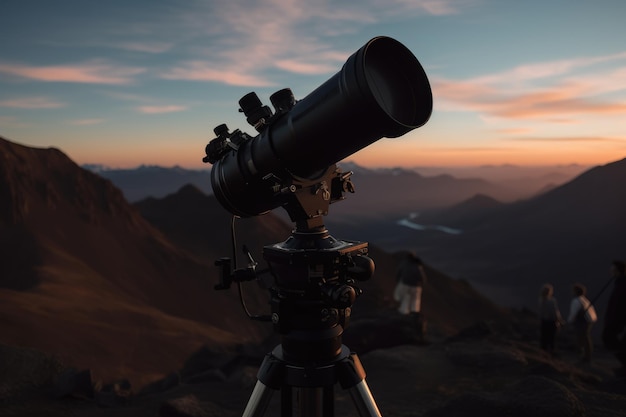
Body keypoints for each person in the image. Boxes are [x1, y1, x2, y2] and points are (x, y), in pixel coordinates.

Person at [394, 251, 428, 341]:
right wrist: (422, 283)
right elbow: (422, 277)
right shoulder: (417, 265)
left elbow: (399, 273)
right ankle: (414, 314)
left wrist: (398, 280)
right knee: (415, 301)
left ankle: (404, 314)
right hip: (416, 286)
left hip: (406, 284)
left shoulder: (404, 264)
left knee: (406, 299)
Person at [602, 260, 626, 377]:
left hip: (617, 320)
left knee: (608, 338)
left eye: (613, 269)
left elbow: (618, 305)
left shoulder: (622, 284)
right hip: (617, 319)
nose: (611, 271)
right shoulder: (619, 283)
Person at [567, 283, 597, 363]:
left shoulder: (576, 301)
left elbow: (574, 312)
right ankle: (587, 356)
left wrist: (569, 321)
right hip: (589, 321)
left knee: (581, 338)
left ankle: (583, 357)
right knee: (586, 338)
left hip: (582, 322)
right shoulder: (585, 300)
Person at [538, 283, 565, 356]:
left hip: (544, 322)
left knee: (544, 338)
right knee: (552, 339)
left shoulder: (541, 301)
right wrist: (560, 321)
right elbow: (555, 312)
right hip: (551, 322)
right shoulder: (552, 301)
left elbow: (541, 313)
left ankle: (543, 354)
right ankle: (551, 354)